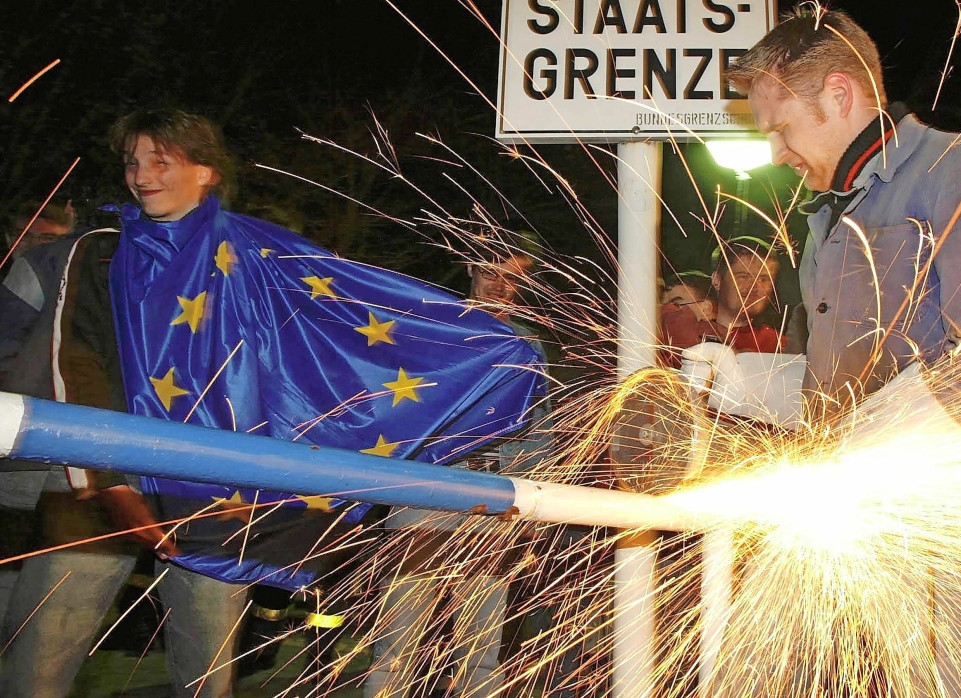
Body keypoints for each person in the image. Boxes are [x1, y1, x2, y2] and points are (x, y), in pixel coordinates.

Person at [0, 109, 542, 698]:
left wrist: (479, 343)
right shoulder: (99, 252)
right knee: (41, 661)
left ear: (206, 170)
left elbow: (344, 313)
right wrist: (105, 478)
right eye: (133, 161)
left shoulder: (256, 251)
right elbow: (75, 363)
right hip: (96, 482)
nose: (141, 174)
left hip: (212, 485)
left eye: (161, 160)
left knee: (208, 672)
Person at [725, 7, 961, 697]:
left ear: (840, 95)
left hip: (951, 530)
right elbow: (840, 390)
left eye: (782, 128)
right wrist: (733, 380)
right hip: (846, 513)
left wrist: (879, 445)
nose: (778, 152)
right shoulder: (827, 220)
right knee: (752, 669)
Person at [365, 228, 552, 698]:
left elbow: (539, 430)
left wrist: (529, 506)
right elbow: (394, 402)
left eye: (512, 278)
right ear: (470, 267)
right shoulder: (434, 328)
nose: (498, 285)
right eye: (490, 270)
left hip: (490, 498)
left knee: (480, 654)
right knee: (395, 648)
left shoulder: (527, 345)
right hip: (422, 491)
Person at [660, 236, 786, 367]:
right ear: (717, 280)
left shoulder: (779, 345)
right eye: (744, 276)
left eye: (763, 279)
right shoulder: (680, 333)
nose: (754, 287)